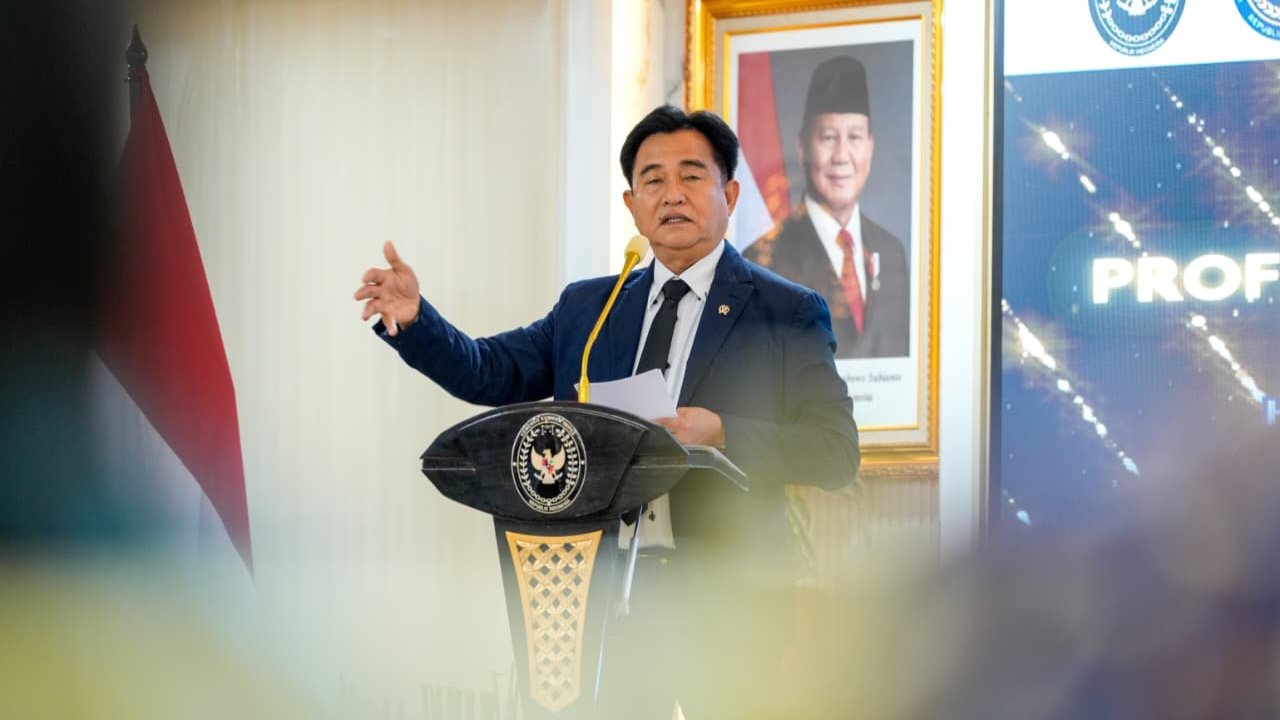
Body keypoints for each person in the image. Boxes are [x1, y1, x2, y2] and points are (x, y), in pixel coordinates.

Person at [355, 105, 859, 718]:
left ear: (729, 194)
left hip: (728, 604)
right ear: (631, 204)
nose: (672, 194)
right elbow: (490, 371)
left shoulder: (786, 310)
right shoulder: (590, 307)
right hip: (598, 602)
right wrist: (416, 321)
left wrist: (722, 431)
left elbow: (835, 451)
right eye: (653, 180)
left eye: (691, 176)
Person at [744, 55, 910, 359]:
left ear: (870, 146)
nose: (842, 156)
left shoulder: (892, 252)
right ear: (802, 148)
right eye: (829, 137)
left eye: (855, 137)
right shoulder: (761, 262)